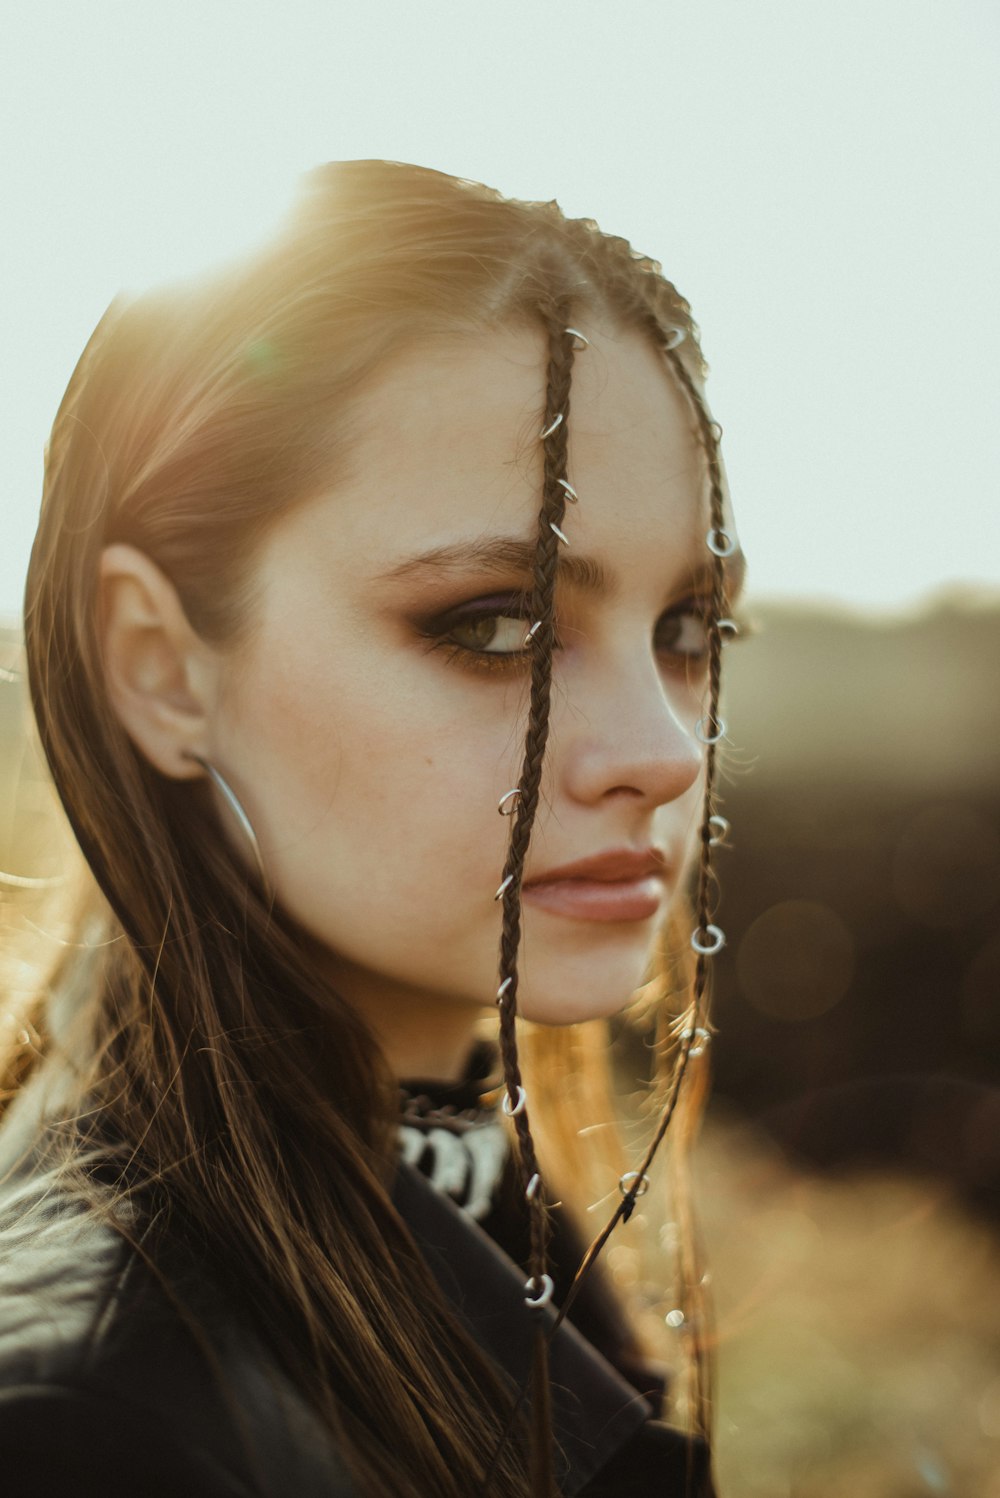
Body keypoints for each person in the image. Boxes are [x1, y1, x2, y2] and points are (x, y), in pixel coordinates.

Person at [0, 160, 745, 1496]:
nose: (661, 748)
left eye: (689, 629)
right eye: (494, 624)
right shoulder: (88, 1429)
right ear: (165, 669)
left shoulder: (477, 1200)